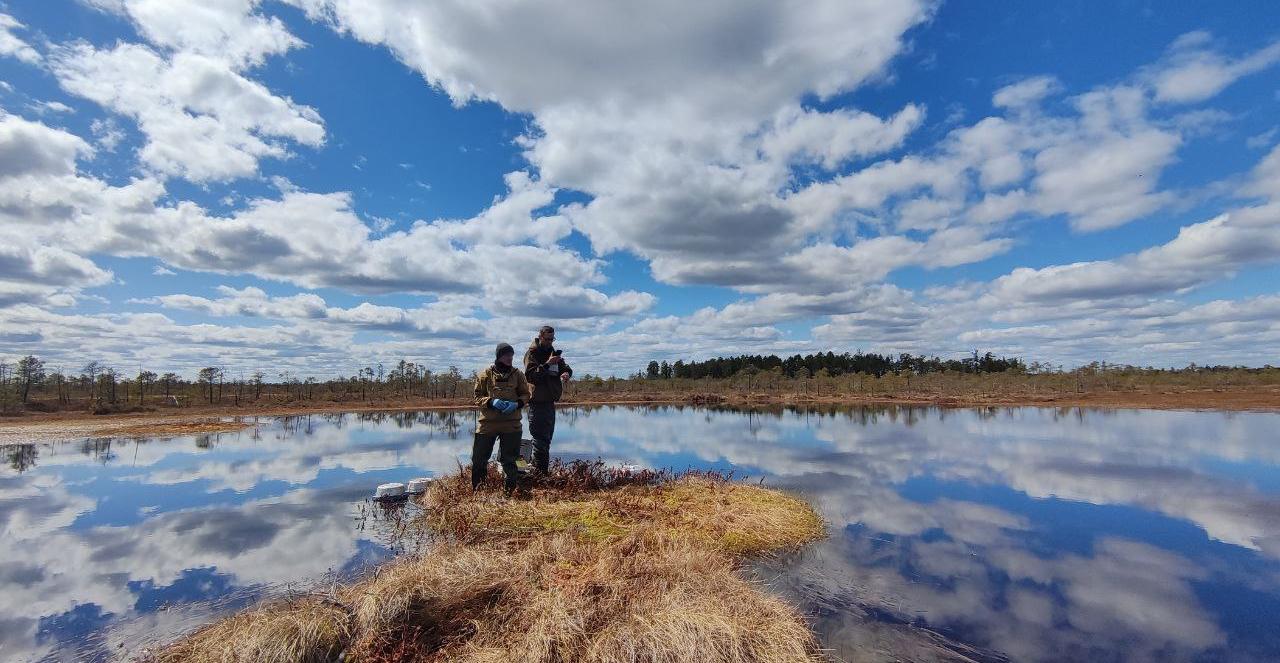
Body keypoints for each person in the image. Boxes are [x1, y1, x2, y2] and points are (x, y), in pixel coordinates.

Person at [472, 342, 532, 494]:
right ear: (498, 356)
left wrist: (517, 404)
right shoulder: (485, 374)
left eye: (511, 355)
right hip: (487, 424)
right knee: (478, 460)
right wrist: (491, 402)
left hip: (512, 425)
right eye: (506, 355)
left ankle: (509, 494)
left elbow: (526, 395)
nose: (510, 358)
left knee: (510, 461)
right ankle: (479, 494)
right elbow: (477, 397)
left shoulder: (518, 374)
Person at [523, 325, 571, 473]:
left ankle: (540, 473)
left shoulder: (553, 353)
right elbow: (531, 376)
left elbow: (565, 368)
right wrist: (548, 364)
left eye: (552, 339)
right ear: (540, 337)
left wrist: (566, 373)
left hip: (549, 403)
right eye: (547, 339)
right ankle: (541, 475)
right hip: (537, 404)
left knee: (546, 440)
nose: (550, 342)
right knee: (540, 441)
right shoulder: (532, 354)